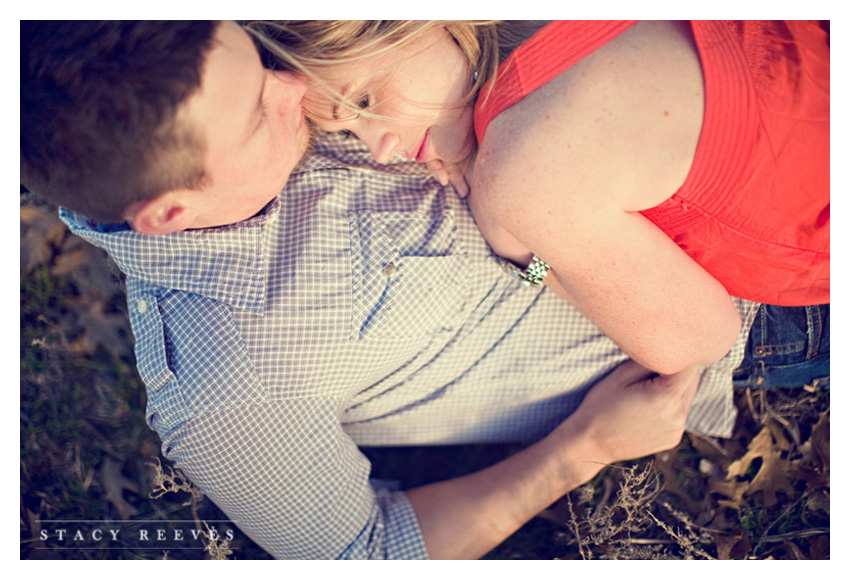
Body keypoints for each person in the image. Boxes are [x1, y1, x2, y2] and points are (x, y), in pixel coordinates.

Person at [18, 20, 812, 560]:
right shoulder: (228, 391)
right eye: (260, 113)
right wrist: (583, 450)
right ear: (171, 214)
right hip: (745, 305)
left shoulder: (246, 61)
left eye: (259, 62)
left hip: (686, 112)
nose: (294, 89)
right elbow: (365, 554)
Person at [247, 20, 829, 377]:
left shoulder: (521, 171)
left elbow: (698, 339)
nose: (380, 151)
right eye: (351, 132)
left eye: (367, 101)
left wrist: (521, 250)